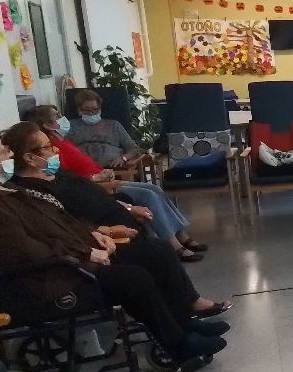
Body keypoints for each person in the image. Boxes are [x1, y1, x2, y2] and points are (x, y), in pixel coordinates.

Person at [0, 126, 230, 372]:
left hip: (67, 260)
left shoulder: (1, 190)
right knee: (133, 279)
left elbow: (57, 222)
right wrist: (84, 253)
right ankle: (179, 345)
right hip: (46, 282)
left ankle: (182, 323)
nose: (9, 155)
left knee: (155, 252)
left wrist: (94, 235)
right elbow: (24, 252)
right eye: (2, 150)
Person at [25, 105, 207, 261]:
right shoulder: (54, 150)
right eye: (57, 116)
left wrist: (108, 170)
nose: (62, 118)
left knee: (154, 188)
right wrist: (97, 179)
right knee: (148, 194)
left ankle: (182, 235)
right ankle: (174, 245)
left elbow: (131, 148)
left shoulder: (66, 140)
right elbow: (69, 179)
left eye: (95, 109)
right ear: (47, 124)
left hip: (105, 177)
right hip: (97, 185)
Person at [66, 89, 142, 169]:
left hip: (113, 167)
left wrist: (123, 158)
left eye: (95, 109)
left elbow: (134, 149)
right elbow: (64, 148)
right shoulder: (70, 126)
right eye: (86, 109)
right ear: (79, 110)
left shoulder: (114, 125)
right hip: (82, 168)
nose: (91, 113)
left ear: (100, 109)